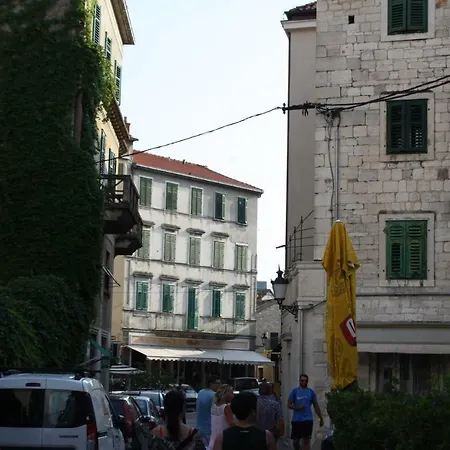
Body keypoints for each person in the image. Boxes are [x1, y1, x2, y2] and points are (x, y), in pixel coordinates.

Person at [288, 374, 324, 450]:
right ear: (299, 381)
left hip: (308, 419)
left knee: (306, 442)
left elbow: (316, 406)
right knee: (295, 441)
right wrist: (297, 407)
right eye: (302, 380)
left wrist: (321, 418)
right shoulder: (294, 392)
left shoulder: (311, 392)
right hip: (296, 420)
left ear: (307, 381)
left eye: (306, 381)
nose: (304, 382)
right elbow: (289, 405)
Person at [196, 376, 221, 447]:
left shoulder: (200, 392)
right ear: (211, 384)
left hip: (199, 428)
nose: (219, 386)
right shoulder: (214, 395)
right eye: (217, 383)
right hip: (210, 429)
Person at [207, 384, 234, 450]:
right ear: (225, 394)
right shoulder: (226, 408)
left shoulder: (213, 406)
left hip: (212, 442)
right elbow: (232, 424)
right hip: (223, 442)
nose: (233, 395)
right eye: (231, 393)